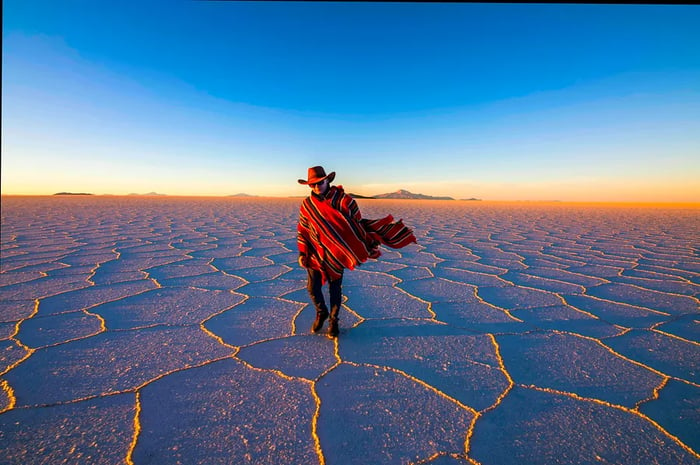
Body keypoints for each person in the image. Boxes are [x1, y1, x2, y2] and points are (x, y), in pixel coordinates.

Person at [297, 166, 417, 337]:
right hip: (316, 252)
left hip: (337, 253)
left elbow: (355, 224)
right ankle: (321, 312)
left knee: (335, 289)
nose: (317, 187)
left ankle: (333, 321)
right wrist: (302, 252)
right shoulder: (308, 204)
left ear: (327, 181)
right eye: (312, 185)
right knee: (312, 288)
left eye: (320, 183)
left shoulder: (343, 200)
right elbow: (303, 229)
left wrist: (360, 239)